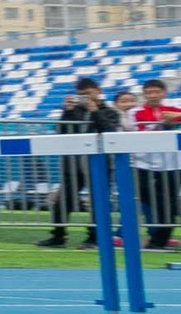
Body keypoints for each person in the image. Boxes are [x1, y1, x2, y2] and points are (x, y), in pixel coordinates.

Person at [37, 76, 120, 247]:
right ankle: (58, 236)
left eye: (88, 94)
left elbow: (109, 130)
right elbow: (61, 131)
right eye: (81, 95)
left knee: (98, 202)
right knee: (61, 202)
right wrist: (67, 111)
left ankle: (95, 238)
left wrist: (95, 111)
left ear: (99, 92)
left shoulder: (110, 112)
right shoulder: (75, 111)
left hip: (100, 163)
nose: (85, 98)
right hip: (73, 164)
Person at [131, 78, 181, 249]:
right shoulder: (136, 112)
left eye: (156, 92)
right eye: (149, 92)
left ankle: (159, 242)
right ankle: (178, 206)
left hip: (173, 164)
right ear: (144, 95)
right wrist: (161, 125)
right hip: (143, 163)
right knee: (152, 198)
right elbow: (135, 130)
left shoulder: (173, 109)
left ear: (164, 93)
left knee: (166, 205)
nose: (153, 95)